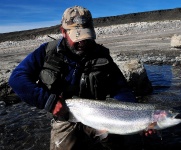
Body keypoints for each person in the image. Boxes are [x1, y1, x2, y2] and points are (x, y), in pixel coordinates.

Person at [9, 5, 153, 150]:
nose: (82, 42)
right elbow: (17, 78)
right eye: (77, 37)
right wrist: (48, 102)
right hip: (65, 118)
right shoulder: (47, 52)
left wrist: (139, 118)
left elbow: (121, 90)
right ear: (63, 32)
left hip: (100, 117)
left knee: (122, 144)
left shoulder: (102, 56)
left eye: (86, 36)